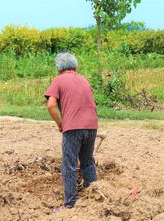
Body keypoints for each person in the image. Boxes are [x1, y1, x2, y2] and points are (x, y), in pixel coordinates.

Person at [45, 52, 98, 209]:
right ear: (75, 66)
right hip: (92, 125)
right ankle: (94, 195)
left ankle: (70, 203)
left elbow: (50, 105)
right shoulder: (84, 80)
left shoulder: (58, 80)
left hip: (73, 127)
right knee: (87, 161)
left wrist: (60, 124)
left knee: (69, 164)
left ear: (58, 67)